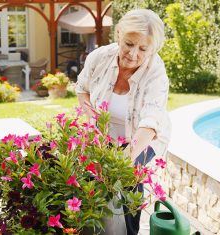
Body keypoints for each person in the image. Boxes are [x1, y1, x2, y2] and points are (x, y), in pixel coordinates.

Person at [75, 9, 171, 235]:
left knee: (127, 192)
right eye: (129, 44)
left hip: (141, 138)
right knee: (91, 192)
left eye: (143, 48)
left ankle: (129, 231)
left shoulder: (155, 72)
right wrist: (93, 122)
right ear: (118, 34)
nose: (133, 54)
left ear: (152, 49)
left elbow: (150, 123)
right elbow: (82, 90)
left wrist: (124, 163)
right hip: (103, 136)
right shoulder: (100, 57)